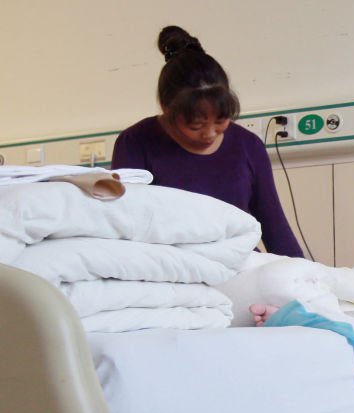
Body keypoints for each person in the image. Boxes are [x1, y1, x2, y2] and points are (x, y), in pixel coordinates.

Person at [111, 26, 305, 258]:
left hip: (239, 263)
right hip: (170, 266)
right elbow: (126, 225)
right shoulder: (135, 142)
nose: (210, 133)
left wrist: (307, 278)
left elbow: (275, 227)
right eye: (195, 125)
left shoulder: (248, 146)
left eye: (221, 121)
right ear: (166, 109)